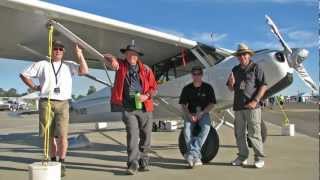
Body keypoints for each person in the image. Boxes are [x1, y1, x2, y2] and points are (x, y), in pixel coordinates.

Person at [20, 40, 89, 176]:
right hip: (46, 101)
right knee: (49, 135)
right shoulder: (42, 64)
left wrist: (80, 55)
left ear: (63, 52)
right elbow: (23, 74)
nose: (58, 51)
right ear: (51, 51)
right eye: (55, 48)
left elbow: (84, 71)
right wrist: (33, 87)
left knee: (63, 135)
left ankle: (62, 162)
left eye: (60, 49)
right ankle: (52, 160)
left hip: (63, 103)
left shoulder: (69, 65)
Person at [103, 44, 157, 175]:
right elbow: (105, 56)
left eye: (133, 54)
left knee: (146, 136)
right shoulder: (120, 65)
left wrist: (147, 96)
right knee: (133, 135)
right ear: (125, 55)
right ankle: (132, 163)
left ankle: (144, 161)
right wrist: (112, 59)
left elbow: (154, 88)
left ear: (137, 56)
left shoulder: (146, 69)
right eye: (128, 53)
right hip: (128, 108)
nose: (131, 56)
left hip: (145, 108)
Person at [226, 43, 267, 168]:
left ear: (249, 55)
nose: (242, 56)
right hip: (238, 107)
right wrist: (231, 84)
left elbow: (263, 85)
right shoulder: (235, 70)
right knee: (239, 133)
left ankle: (259, 158)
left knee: (254, 133)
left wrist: (255, 100)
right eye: (240, 55)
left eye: (244, 54)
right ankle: (242, 156)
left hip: (252, 106)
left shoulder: (256, 67)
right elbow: (230, 88)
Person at [179, 66, 216, 168]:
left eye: (198, 74)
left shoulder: (208, 87)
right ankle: (196, 157)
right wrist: (189, 115)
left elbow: (212, 103)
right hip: (190, 113)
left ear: (202, 75)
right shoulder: (187, 88)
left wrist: (203, 112)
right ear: (192, 75)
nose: (196, 76)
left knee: (206, 127)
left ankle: (191, 154)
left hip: (203, 113)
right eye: (194, 74)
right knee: (186, 129)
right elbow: (183, 105)